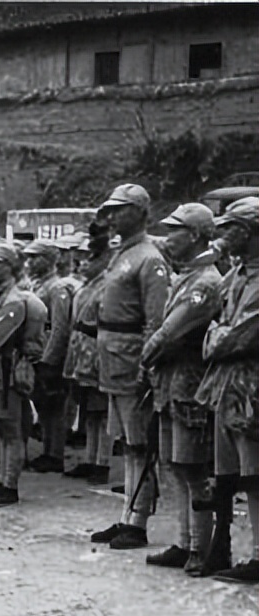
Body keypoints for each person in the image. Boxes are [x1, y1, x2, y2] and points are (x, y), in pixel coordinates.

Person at [141, 203, 221, 574]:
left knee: (193, 469)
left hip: (189, 383)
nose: (168, 237)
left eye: (175, 230)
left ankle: (201, 547)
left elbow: (171, 331)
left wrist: (146, 354)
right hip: (173, 383)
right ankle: (185, 541)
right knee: (176, 465)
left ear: (194, 235)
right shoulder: (188, 275)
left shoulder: (204, 282)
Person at [90, 184, 170, 550]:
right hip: (111, 355)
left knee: (139, 442)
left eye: (121, 209)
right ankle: (127, 513)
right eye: (110, 210)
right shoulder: (121, 254)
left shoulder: (149, 258)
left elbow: (155, 321)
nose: (113, 216)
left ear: (140, 211)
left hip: (130, 355)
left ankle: (138, 518)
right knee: (125, 441)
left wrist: (146, 367)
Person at [194, 196, 259, 583]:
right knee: (230, 472)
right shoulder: (235, 276)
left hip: (251, 386)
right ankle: (227, 548)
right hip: (227, 386)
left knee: (255, 474)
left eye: (231, 227)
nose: (223, 235)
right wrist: (217, 334)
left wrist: (217, 335)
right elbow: (214, 326)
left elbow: (235, 336)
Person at [0, 241, 46, 507]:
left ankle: (9, 485)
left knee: (10, 430)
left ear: (9, 267)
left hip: (6, 373)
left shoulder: (13, 301)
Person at [61, 227, 114, 485]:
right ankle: (91, 457)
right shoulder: (86, 286)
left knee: (101, 410)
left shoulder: (107, 286)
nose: (83, 263)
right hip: (81, 349)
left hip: (96, 349)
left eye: (89, 257)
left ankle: (102, 461)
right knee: (89, 411)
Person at [22, 238, 76, 474]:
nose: (30, 262)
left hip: (48, 355)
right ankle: (47, 449)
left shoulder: (57, 288)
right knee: (44, 406)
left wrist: (50, 359)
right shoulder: (36, 286)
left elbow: (59, 327)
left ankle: (55, 453)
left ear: (49, 260)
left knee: (55, 407)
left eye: (36, 257)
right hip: (35, 353)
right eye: (30, 258)